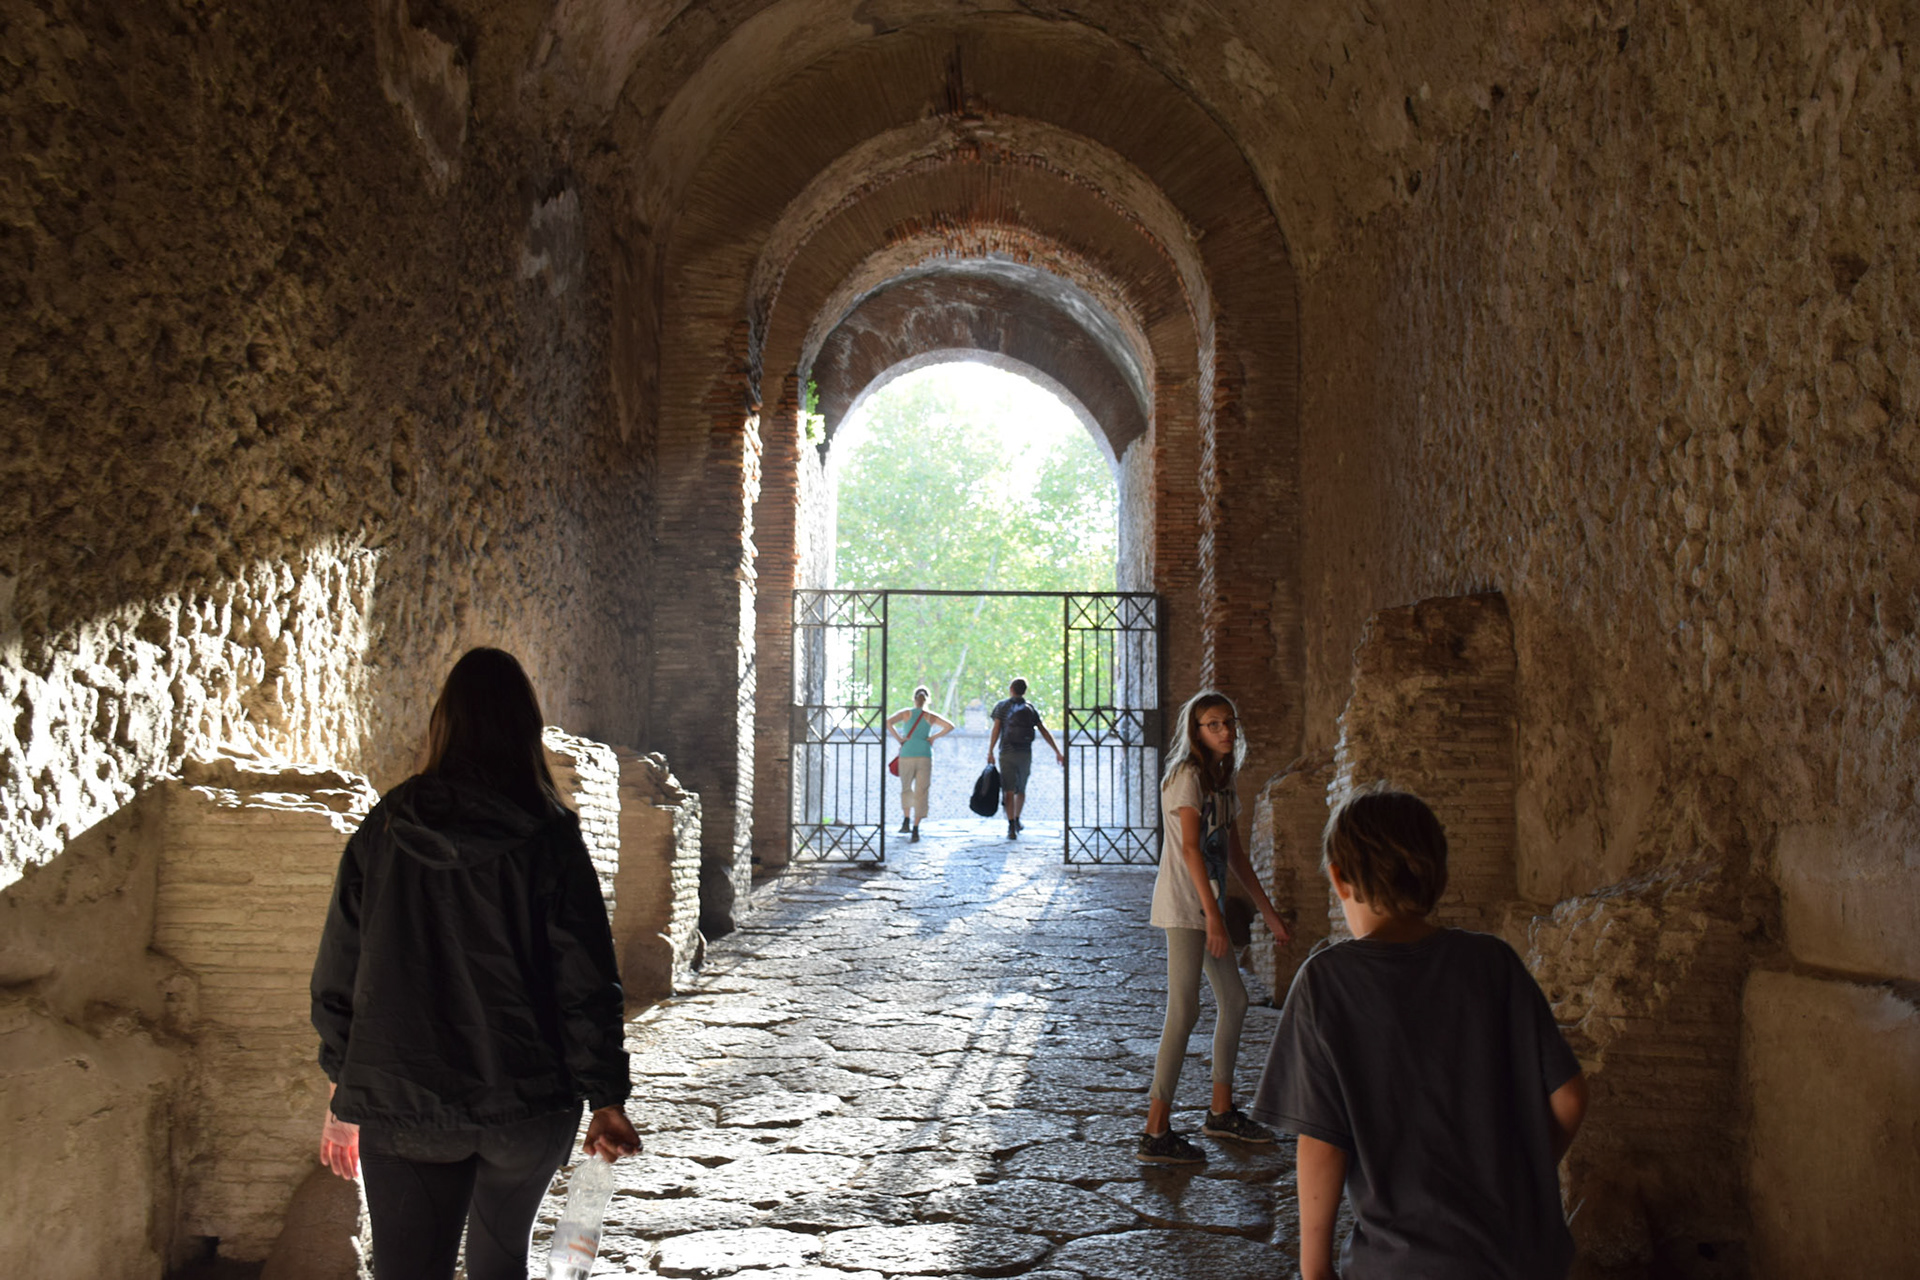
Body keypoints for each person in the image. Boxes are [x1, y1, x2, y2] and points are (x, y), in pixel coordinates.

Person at [310, 647, 641, 1280]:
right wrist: (606, 1096)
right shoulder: (550, 835)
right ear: (526, 729)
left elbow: (338, 972)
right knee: (499, 1259)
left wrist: (341, 1086)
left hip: (402, 1098)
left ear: (444, 722)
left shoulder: (386, 826)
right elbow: (586, 981)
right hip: (526, 1097)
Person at [1250, 785, 1589, 1280]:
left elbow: (1322, 1144)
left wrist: (1314, 1271)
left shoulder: (1327, 982)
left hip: (1404, 1263)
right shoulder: (1494, 962)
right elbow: (1570, 1097)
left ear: (1338, 878)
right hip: (1524, 1257)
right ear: (1440, 875)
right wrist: (1520, 1181)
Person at [1138, 689, 1292, 1163]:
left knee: (1236, 1000)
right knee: (1184, 1010)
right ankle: (1155, 1132)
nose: (1225, 731)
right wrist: (1213, 918)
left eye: (1229, 722)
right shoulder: (1186, 776)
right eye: (1213, 724)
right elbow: (1190, 849)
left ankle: (1221, 1112)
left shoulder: (1223, 780)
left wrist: (1268, 912)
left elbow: (1235, 854)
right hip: (1186, 906)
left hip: (1210, 906)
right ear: (1196, 731)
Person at [985, 677, 1063, 839]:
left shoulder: (1002, 706)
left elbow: (996, 729)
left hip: (1006, 753)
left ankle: (1011, 825)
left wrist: (990, 751)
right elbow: (1044, 731)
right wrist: (1057, 751)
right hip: (1025, 754)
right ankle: (1017, 819)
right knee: (1021, 789)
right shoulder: (1030, 709)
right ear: (1024, 691)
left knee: (1008, 790)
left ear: (1011, 689)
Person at [886, 685, 955, 842]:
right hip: (924, 755)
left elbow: (888, 722)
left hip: (907, 754)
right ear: (927, 700)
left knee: (906, 788)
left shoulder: (905, 713)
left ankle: (906, 821)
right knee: (921, 791)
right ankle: (916, 828)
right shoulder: (930, 716)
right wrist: (933, 737)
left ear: (914, 699)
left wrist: (900, 739)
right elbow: (950, 726)